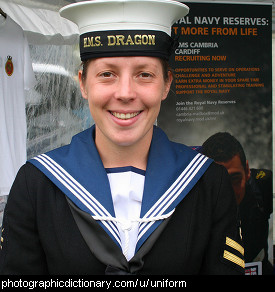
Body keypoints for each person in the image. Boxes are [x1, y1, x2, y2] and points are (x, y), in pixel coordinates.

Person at [0, 0, 244, 275]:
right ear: (82, 83)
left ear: (166, 84)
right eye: (107, 74)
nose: (126, 93)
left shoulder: (208, 184)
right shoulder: (36, 185)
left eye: (144, 74)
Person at [201, 132, 273, 274]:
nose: (228, 191)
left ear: (247, 171)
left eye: (234, 179)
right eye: (218, 182)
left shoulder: (263, 187)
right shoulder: (192, 202)